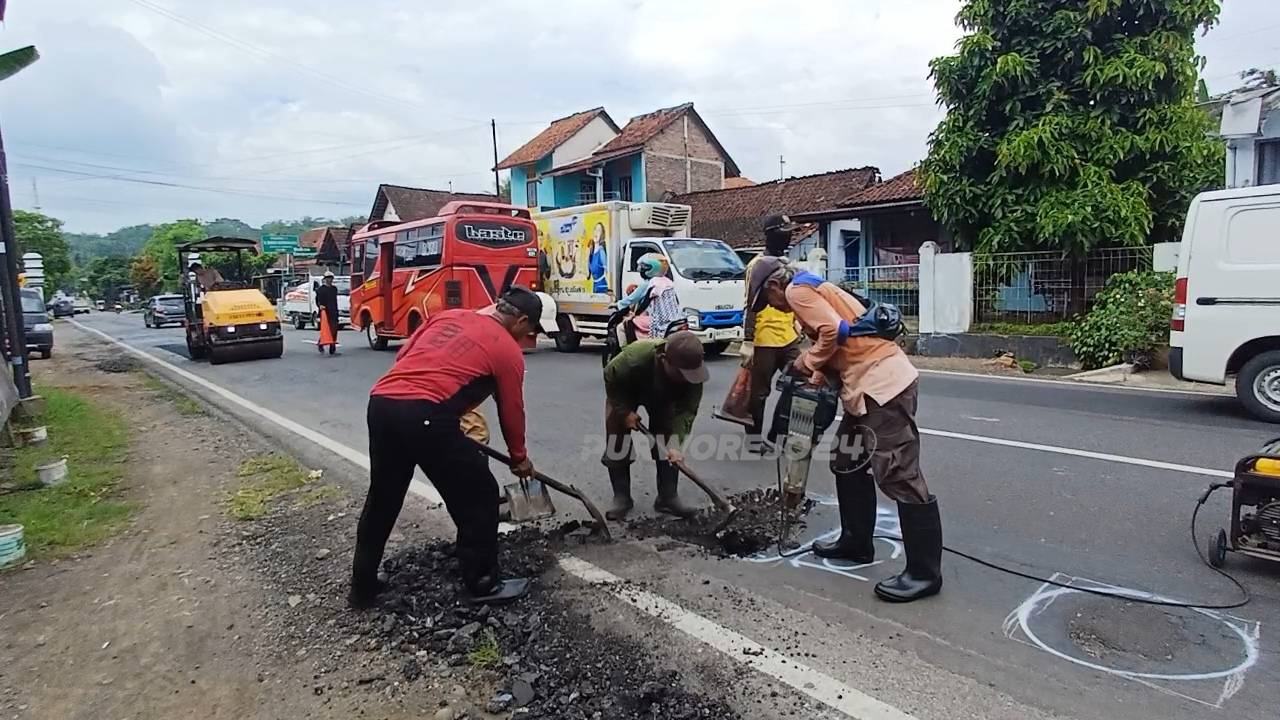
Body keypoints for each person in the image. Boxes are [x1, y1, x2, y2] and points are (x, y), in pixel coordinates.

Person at [751, 257, 942, 603]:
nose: (775, 309)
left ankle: (924, 573)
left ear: (774, 286)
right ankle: (857, 542)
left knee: (898, 473)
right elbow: (848, 336)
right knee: (846, 462)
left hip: (883, 385)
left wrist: (806, 362)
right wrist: (819, 373)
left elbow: (834, 331)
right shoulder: (812, 286)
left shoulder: (796, 291)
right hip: (861, 388)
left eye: (768, 301)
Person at [349, 286, 543, 608]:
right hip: (427, 414)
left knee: (383, 497)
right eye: (531, 330)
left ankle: (362, 585)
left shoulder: (449, 316)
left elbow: (405, 358)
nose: (527, 337)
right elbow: (511, 409)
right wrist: (518, 458)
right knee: (479, 493)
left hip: (382, 403)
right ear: (521, 320)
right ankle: (483, 583)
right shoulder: (507, 351)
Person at [601, 330, 708, 520]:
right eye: (681, 373)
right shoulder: (635, 357)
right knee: (617, 437)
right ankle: (622, 497)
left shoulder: (693, 373)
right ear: (663, 358)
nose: (686, 378)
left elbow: (686, 411)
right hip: (626, 391)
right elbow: (610, 377)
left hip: (664, 396)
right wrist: (624, 412)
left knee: (667, 437)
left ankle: (668, 498)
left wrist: (675, 446)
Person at [739, 215, 803, 453]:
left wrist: (797, 322)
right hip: (763, 337)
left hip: (788, 336)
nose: (787, 236)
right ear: (770, 235)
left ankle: (778, 433)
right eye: (783, 232)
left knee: (799, 383)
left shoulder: (787, 263)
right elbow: (750, 302)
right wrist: (747, 340)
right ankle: (754, 440)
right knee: (759, 394)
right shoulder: (758, 265)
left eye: (789, 232)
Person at [616, 253, 681, 339]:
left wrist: (619, 304)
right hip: (675, 319)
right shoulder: (668, 282)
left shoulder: (651, 283)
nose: (641, 270)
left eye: (644, 268)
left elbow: (636, 300)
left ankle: (626, 351)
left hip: (659, 321)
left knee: (622, 326)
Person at [315, 271, 340, 356]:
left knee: (334, 329)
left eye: (331, 278)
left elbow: (335, 301)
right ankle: (321, 343)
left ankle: (332, 347)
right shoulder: (320, 289)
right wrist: (320, 306)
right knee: (326, 329)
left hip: (334, 311)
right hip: (325, 312)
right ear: (325, 279)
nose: (329, 280)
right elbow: (317, 301)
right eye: (328, 278)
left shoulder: (334, 289)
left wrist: (337, 311)